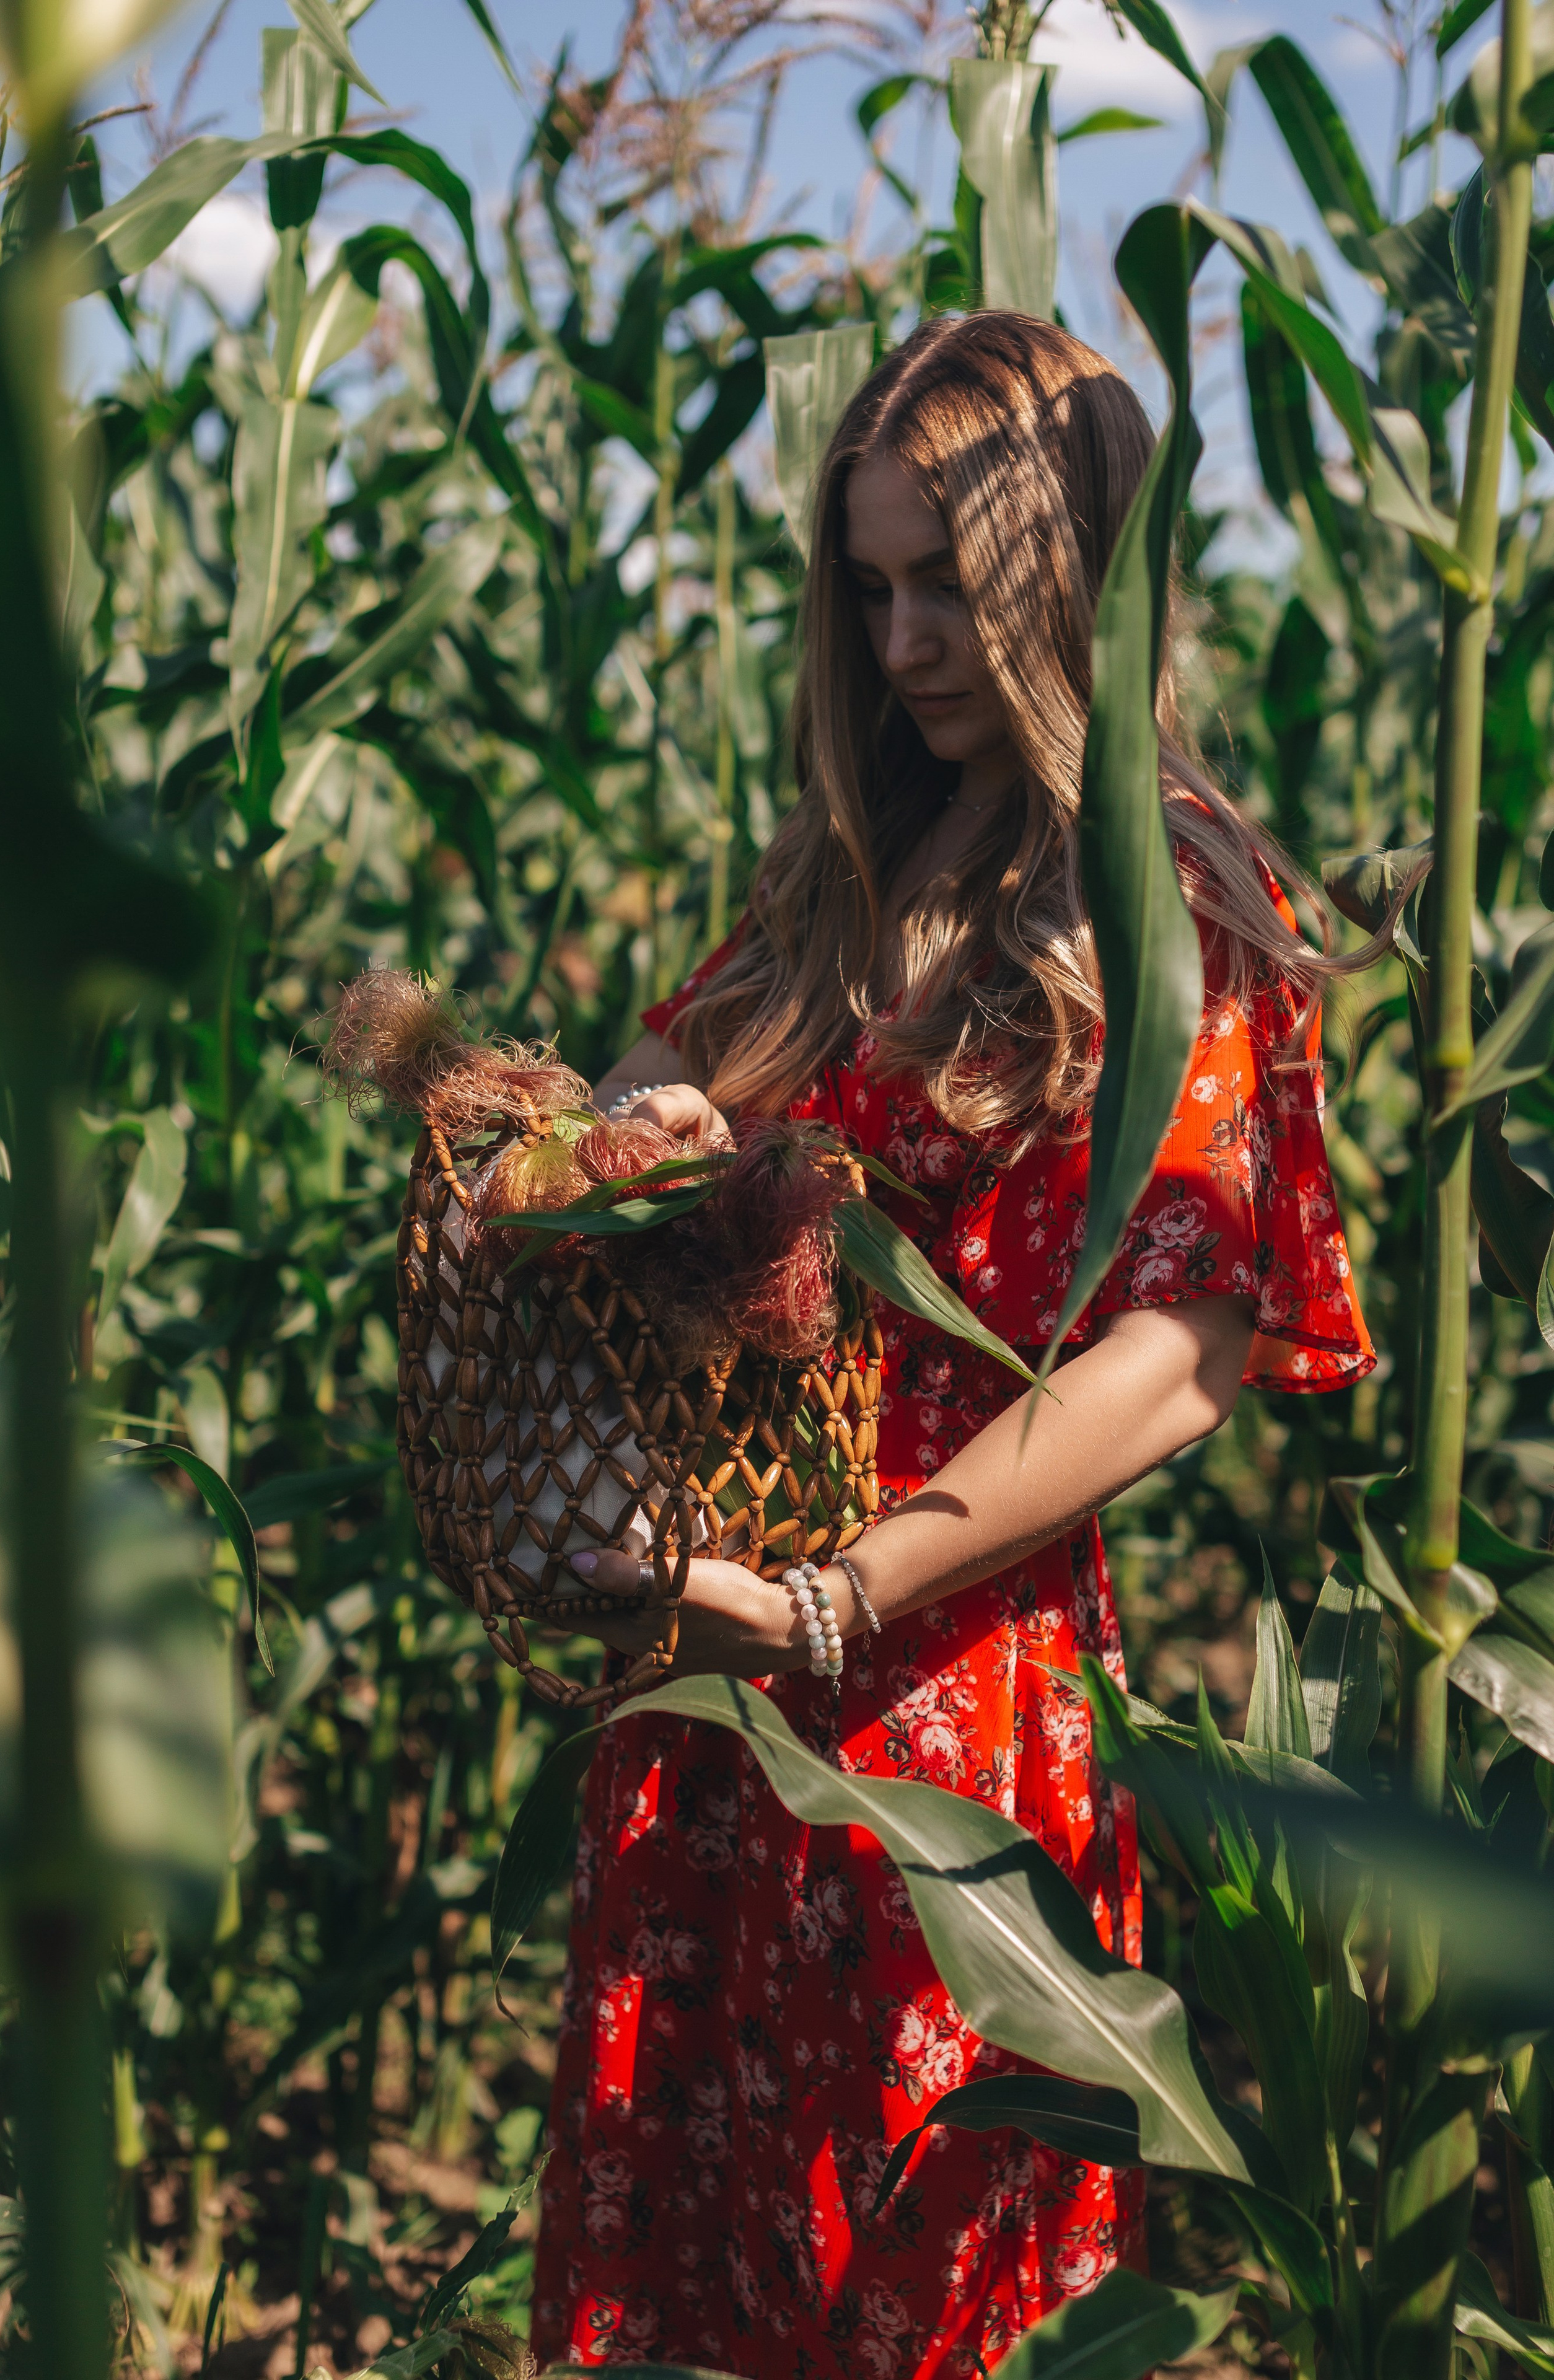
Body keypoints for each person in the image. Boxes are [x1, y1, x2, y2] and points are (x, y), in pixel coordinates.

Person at [529, 312, 1374, 2376]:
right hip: (728, 1678)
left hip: (942, 1704)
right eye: (871, 585)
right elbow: (659, 1089)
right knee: (717, 2285)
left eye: (952, 586)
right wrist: (542, 1148)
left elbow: (1178, 1347)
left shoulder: (1171, 902)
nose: (904, 639)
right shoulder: (849, 876)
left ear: (1075, 576)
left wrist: (831, 1600)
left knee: (926, 2283)